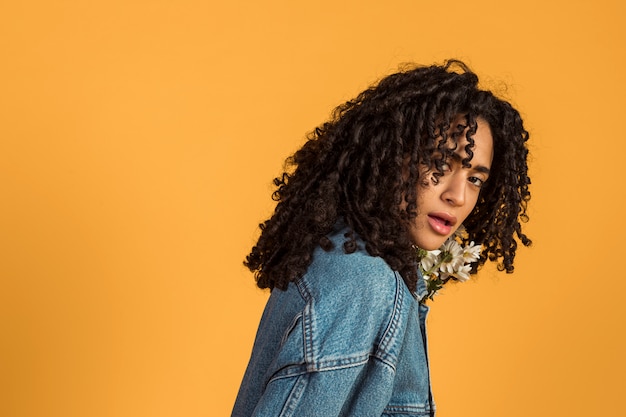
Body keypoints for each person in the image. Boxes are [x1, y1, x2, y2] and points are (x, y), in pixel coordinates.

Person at [232, 60, 531, 417]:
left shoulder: (350, 261)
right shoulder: (363, 283)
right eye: (439, 163)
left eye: (475, 178)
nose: (458, 195)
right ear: (390, 154)